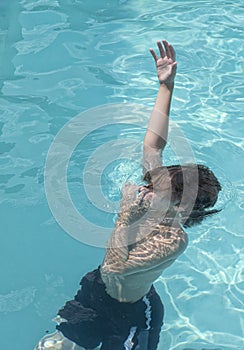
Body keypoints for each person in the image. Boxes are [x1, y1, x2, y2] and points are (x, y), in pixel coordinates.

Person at [34, 40, 221, 350]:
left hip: (132, 312)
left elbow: (116, 266)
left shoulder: (173, 240)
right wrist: (166, 86)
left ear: (178, 204)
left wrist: (126, 213)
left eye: (156, 187)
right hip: (94, 291)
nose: (146, 187)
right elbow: (153, 145)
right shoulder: (153, 198)